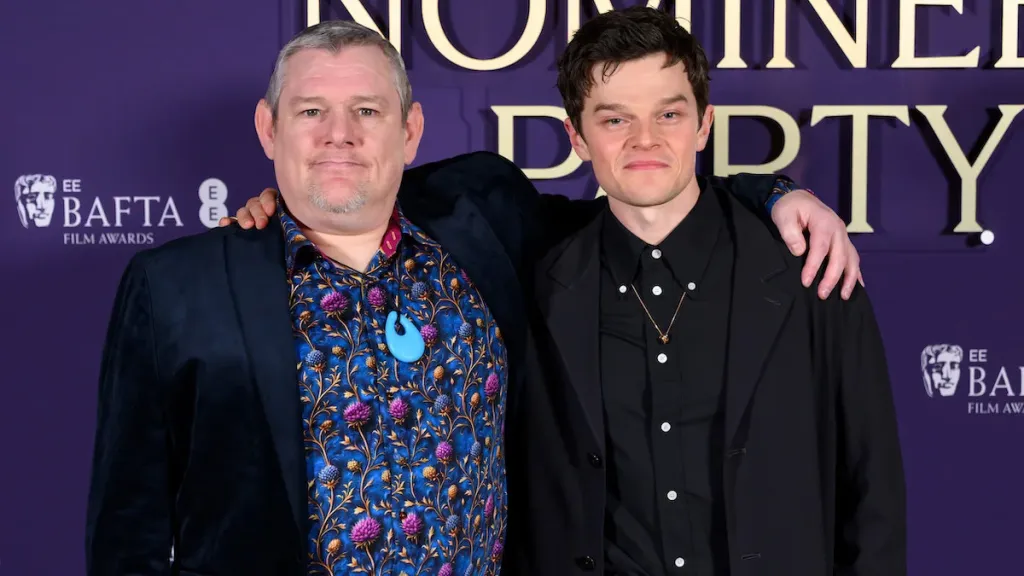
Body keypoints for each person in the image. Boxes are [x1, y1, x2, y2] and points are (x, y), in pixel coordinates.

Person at [85, 18, 862, 576]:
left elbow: (642, 195)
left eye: (368, 112)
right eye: (310, 112)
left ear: (412, 131)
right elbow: (130, 529)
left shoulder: (484, 216)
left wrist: (772, 191)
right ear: (268, 127)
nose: (339, 135)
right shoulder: (177, 287)